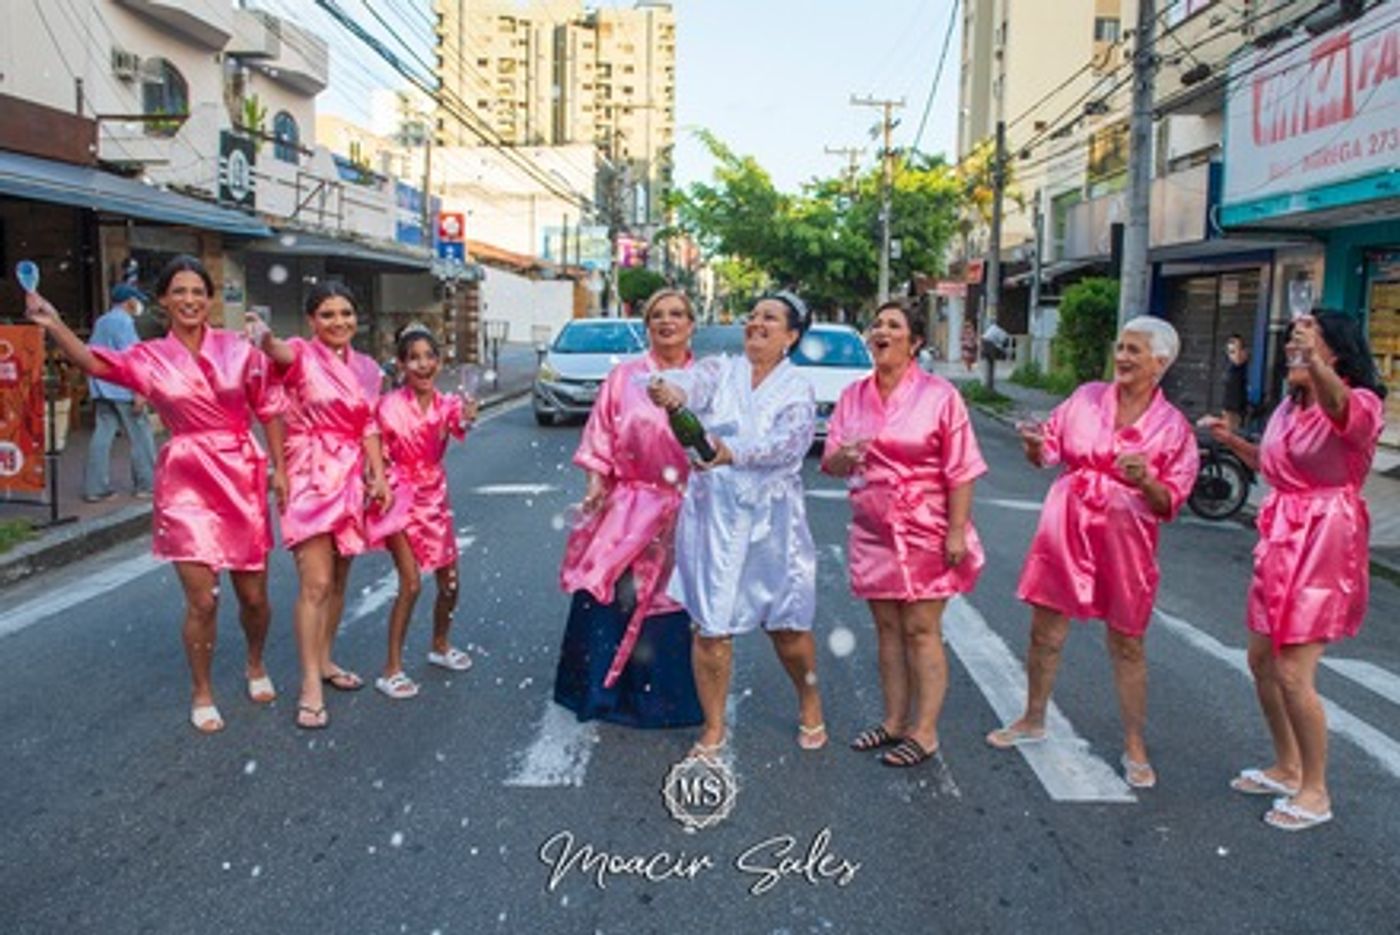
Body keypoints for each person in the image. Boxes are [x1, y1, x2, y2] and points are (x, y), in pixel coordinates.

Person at [25, 256, 284, 733]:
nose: (189, 300)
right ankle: (202, 689)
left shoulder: (238, 349)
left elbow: (269, 406)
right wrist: (55, 323)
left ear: (209, 300)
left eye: (198, 292)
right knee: (203, 600)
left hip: (240, 475)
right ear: (163, 300)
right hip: (187, 478)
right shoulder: (149, 357)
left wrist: (280, 470)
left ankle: (255, 661)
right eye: (179, 291)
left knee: (254, 597)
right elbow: (95, 362)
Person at [986, 316, 1199, 790]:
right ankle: (1033, 717)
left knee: (1128, 640)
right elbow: (1048, 451)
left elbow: (1170, 502)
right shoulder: (1085, 398)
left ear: (1160, 363)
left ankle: (1134, 743)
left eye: (1134, 350)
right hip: (1066, 522)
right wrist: (1034, 445)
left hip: (1127, 536)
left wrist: (1146, 480)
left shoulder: (1173, 428)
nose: (1122, 357)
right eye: (1120, 347)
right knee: (1045, 629)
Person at [1201, 312, 1386, 831]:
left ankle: (1316, 791)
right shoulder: (1289, 405)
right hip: (1282, 534)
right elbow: (1275, 465)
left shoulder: (1360, 403)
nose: (1292, 350)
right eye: (1290, 343)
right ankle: (1287, 766)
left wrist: (1313, 363)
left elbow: (1343, 411)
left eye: (1305, 342)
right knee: (1261, 659)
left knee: (1292, 670)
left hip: (1326, 537)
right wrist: (1232, 442)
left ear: (1336, 354)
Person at [647, 291, 826, 757]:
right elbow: (691, 383)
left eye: (770, 318)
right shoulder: (721, 369)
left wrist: (733, 452)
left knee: (786, 627)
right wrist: (671, 391)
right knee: (710, 625)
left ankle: (810, 701)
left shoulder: (797, 388)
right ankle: (713, 725)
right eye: (753, 315)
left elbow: (790, 444)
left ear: (791, 336)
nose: (756, 323)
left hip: (772, 521)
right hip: (714, 514)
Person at [821, 299, 986, 767]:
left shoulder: (940, 396)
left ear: (914, 343)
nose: (882, 332)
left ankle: (925, 732)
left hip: (927, 526)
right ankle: (894, 721)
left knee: (921, 628)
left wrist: (956, 532)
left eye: (894, 326)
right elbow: (831, 462)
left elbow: (962, 469)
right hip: (873, 529)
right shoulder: (853, 396)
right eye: (877, 325)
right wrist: (845, 457)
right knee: (888, 629)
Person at [552, 289, 704, 728]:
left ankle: (664, 701)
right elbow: (600, 434)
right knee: (609, 588)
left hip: (689, 506)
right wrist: (596, 482)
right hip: (630, 503)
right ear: (647, 326)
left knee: (672, 598)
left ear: (692, 324)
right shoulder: (624, 378)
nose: (667, 322)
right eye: (657, 315)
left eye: (677, 314)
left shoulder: (708, 380)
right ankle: (600, 691)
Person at [250, 283, 391, 729]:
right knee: (316, 582)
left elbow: (369, 423)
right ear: (312, 321)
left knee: (340, 577)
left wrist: (378, 474)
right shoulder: (299, 353)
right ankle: (310, 682)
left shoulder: (367, 368)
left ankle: (326, 659)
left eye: (345, 313)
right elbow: (275, 351)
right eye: (327, 315)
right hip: (308, 473)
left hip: (350, 476)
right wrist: (263, 336)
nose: (338, 322)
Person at [371, 326, 479, 700]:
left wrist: (468, 414)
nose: (422, 364)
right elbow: (373, 447)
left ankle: (440, 644)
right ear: (402, 365)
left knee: (450, 582)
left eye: (429, 356)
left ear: (439, 362)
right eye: (413, 358)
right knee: (411, 583)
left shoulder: (446, 403)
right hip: (399, 497)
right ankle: (391, 669)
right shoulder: (387, 406)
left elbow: (461, 423)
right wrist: (378, 481)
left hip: (434, 497)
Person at [83, 283, 157, 502]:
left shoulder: (102, 321)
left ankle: (94, 488)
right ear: (129, 301)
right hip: (123, 388)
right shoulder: (124, 323)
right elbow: (132, 359)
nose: (139, 305)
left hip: (101, 386)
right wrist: (140, 391)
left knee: (102, 434)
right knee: (141, 435)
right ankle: (147, 484)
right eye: (137, 300)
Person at [1221, 333, 1250, 432]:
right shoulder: (1231, 371)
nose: (1234, 356)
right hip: (1232, 414)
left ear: (1244, 352)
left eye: (1236, 351)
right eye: (1231, 352)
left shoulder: (1242, 370)